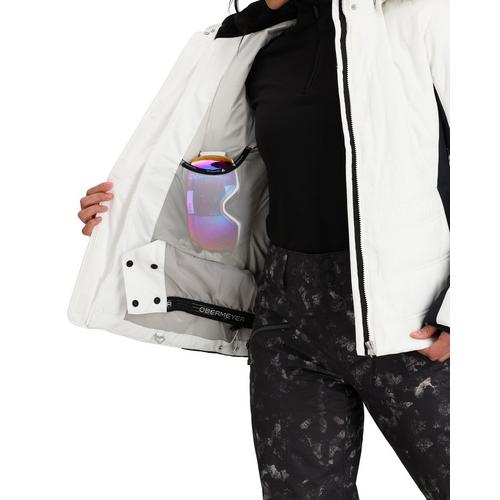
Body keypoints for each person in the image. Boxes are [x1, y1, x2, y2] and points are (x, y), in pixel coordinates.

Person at [76, 0, 450, 498]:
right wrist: (123, 213)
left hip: (412, 317)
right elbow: (220, 184)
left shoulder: (419, 14)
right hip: (285, 317)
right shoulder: (251, 44)